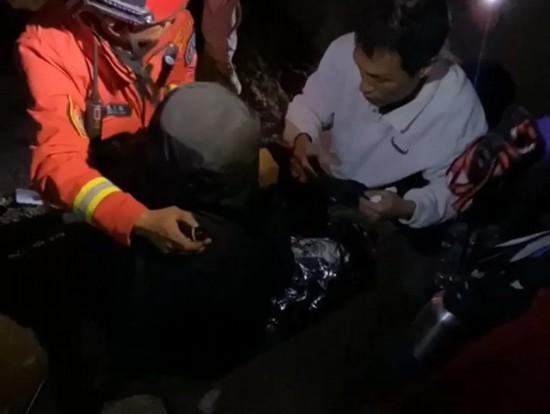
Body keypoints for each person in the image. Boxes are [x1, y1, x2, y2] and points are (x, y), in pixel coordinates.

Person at [18, 0, 256, 255]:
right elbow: (58, 162)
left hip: (156, 152)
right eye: (162, 20)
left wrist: (241, 158)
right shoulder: (49, 46)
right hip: (104, 171)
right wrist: (138, 219)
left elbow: (181, 90)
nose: (174, 19)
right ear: (116, 24)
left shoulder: (175, 19)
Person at [284, 0, 488, 230]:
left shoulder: (458, 111)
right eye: (360, 69)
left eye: (379, 80)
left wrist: (405, 207)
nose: (363, 87)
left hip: (380, 208)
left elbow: (452, 193)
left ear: (424, 68)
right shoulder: (345, 49)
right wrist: (301, 138)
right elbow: (312, 102)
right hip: (322, 174)